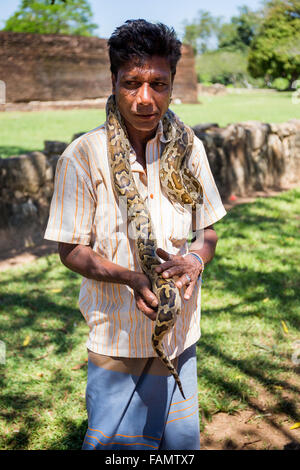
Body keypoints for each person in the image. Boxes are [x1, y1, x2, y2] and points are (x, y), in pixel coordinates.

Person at [44, 19, 226, 450]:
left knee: (179, 448)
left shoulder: (190, 147)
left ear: (172, 84)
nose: (146, 99)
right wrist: (129, 277)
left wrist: (196, 259)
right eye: (132, 83)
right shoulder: (83, 157)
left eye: (158, 85)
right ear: (113, 81)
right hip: (118, 341)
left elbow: (210, 232)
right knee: (119, 450)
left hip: (181, 338)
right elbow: (70, 250)